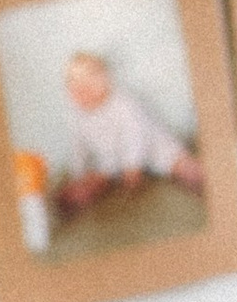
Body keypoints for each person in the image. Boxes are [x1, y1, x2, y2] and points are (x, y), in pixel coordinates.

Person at [50, 44, 207, 212]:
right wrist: (78, 176)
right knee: (97, 176)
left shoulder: (123, 104)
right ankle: (81, 195)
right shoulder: (77, 116)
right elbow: (78, 147)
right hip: (113, 159)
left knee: (181, 165)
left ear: (106, 80)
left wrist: (132, 167)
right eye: (74, 82)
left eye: (90, 78)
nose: (82, 87)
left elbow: (135, 134)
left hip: (151, 146)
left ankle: (208, 178)